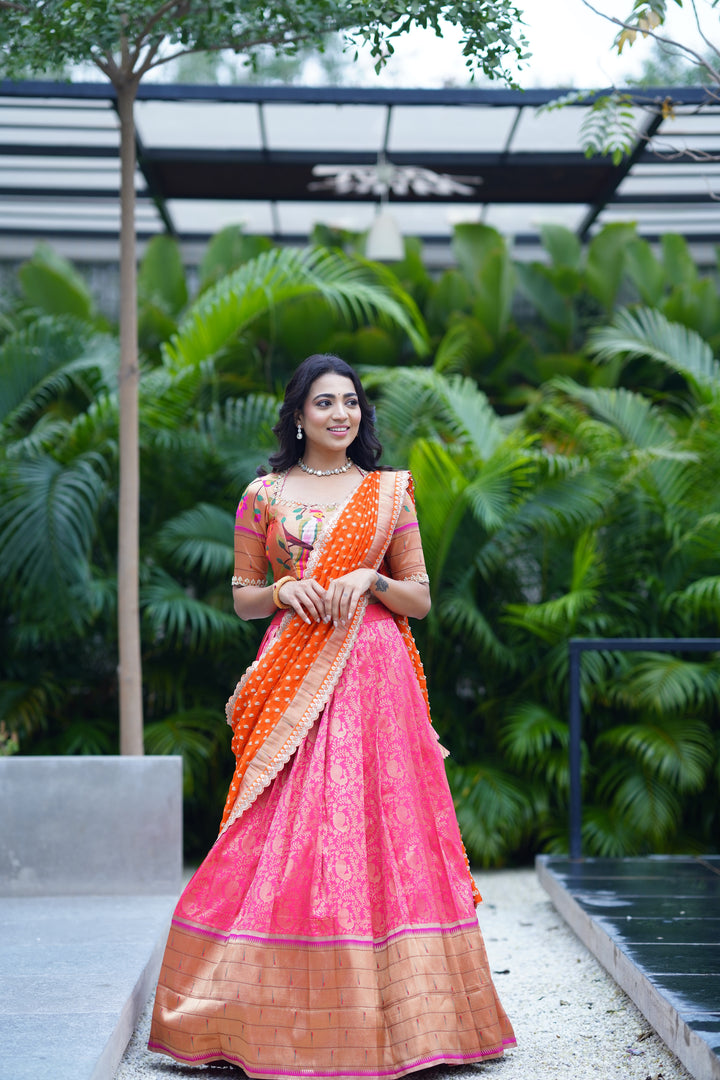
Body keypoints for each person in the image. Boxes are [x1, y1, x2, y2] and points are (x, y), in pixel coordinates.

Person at [148, 353, 516, 1076]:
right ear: (297, 415)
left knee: (382, 828)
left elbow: (419, 597)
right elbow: (243, 595)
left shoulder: (388, 494)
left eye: (350, 402)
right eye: (324, 403)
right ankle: (251, 1006)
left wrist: (370, 577)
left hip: (374, 675)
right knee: (283, 827)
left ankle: (416, 1020)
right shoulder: (263, 495)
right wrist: (286, 594)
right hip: (293, 671)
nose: (340, 414)